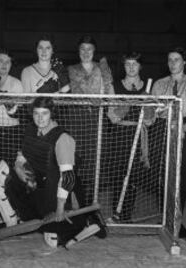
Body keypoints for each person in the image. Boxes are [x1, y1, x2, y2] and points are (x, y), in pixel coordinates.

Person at [0, 97, 106, 248]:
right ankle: (13, 223)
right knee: (0, 173)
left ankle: (87, 221)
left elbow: (68, 178)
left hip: (61, 194)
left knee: (53, 242)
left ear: (52, 114)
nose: (40, 118)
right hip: (39, 188)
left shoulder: (62, 138)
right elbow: (24, 153)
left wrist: (60, 208)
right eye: (36, 113)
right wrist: (18, 165)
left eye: (44, 113)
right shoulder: (31, 129)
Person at [152, 47, 186, 242]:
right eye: (170, 60)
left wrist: (185, 128)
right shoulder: (159, 84)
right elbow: (152, 110)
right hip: (163, 131)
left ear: (185, 62)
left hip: (185, 133)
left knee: (181, 179)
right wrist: (155, 113)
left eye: (177, 59)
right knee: (162, 176)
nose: (173, 63)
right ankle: (166, 218)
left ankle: (177, 219)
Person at [67, 35, 115, 206]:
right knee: (77, 160)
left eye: (90, 49)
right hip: (78, 119)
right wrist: (101, 69)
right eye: (82, 49)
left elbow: (109, 88)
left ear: (94, 51)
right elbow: (81, 90)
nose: (86, 52)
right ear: (78, 51)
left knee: (94, 162)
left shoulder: (102, 67)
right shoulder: (72, 69)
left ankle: (90, 207)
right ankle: (76, 205)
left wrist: (105, 77)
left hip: (96, 118)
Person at [107, 52, 155, 223]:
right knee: (119, 176)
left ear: (140, 66)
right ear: (124, 66)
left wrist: (147, 105)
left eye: (135, 64)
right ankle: (117, 212)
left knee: (134, 177)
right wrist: (132, 101)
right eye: (128, 64)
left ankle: (126, 215)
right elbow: (112, 116)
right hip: (121, 135)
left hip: (139, 134)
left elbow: (149, 121)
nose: (131, 67)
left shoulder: (149, 88)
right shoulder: (115, 86)